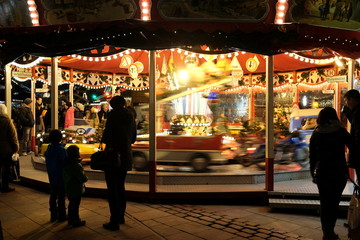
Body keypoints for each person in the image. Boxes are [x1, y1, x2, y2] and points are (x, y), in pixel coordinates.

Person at [309, 107, 354, 240]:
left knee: (325, 202)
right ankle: (331, 231)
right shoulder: (340, 131)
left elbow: (312, 156)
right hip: (339, 172)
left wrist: (313, 173)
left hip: (323, 172)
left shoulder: (316, 133)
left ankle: (326, 232)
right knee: (334, 203)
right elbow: (354, 146)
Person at [101, 96, 137, 231]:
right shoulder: (131, 117)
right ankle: (121, 216)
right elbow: (133, 138)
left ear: (113, 105)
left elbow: (106, 137)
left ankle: (113, 220)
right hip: (126, 154)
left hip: (113, 155)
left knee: (112, 188)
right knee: (120, 186)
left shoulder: (113, 116)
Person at [45, 130, 67, 222]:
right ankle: (62, 215)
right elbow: (65, 163)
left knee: (53, 195)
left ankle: (53, 215)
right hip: (61, 177)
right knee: (61, 197)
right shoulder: (62, 150)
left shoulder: (48, 150)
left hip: (52, 176)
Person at [63, 145, 87, 227]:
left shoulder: (66, 164)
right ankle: (76, 220)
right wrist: (85, 178)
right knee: (75, 205)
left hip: (69, 187)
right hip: (76, 188)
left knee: (71, 204)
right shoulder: (77, 166)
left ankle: (70, 219)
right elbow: (82, 178)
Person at [0, 104, 19, 192]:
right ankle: (5, 186)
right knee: (6, 168)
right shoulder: (7, 121)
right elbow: (13, 136)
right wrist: (15, 148)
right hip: (6, 149)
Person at [343, 89, 360, 177]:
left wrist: (353, 147)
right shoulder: (355, 112)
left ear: (352, 100)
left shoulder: (357, 113)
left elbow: (357, 131)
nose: (346, 104)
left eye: (346, 101)